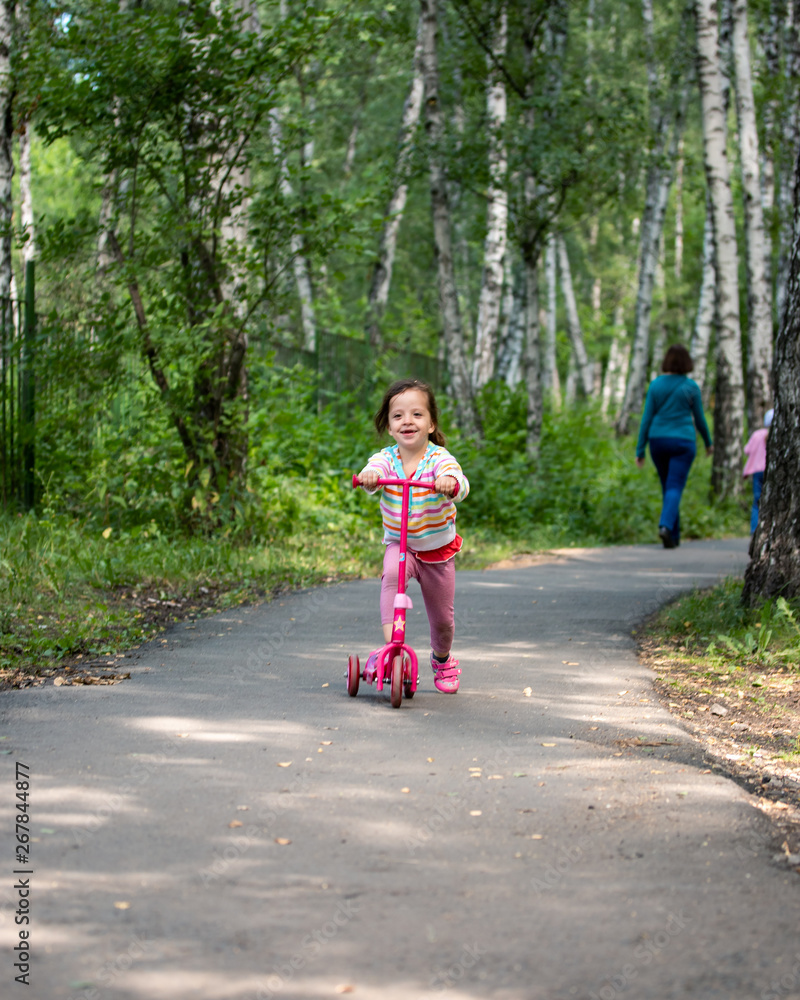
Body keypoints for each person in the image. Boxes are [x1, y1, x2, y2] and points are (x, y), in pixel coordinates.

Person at [356, 378, 469, 693]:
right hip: (400, 545)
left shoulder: (439, 460)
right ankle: (393, 649)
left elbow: (459, 480)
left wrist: (450, 482)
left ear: (431, 424)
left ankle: (442, 659)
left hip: (437, 551)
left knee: (443, 619)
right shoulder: (386, 459)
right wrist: (369, 477)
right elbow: (373, 473)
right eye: (398, 416)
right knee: (391, 576)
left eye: (417, 415)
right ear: (390, 428)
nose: (407, 421)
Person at [635, 344, 713, 548]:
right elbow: (700, 419)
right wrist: (708, 442)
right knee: (675, 485)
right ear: (687, 362)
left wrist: (640, 449)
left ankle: (673, 537)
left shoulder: (656, 385)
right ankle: (666, 526)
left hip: (658, 440)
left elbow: (646, 418)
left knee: (668, 486)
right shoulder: (690, 387)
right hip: (683, 441)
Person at [743, 408, 773, 533]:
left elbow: (746, 450)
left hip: (757, 472)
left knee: (757, 501)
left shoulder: (757, 434)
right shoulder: (780, 434)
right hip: (771, 470)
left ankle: (754, 529)